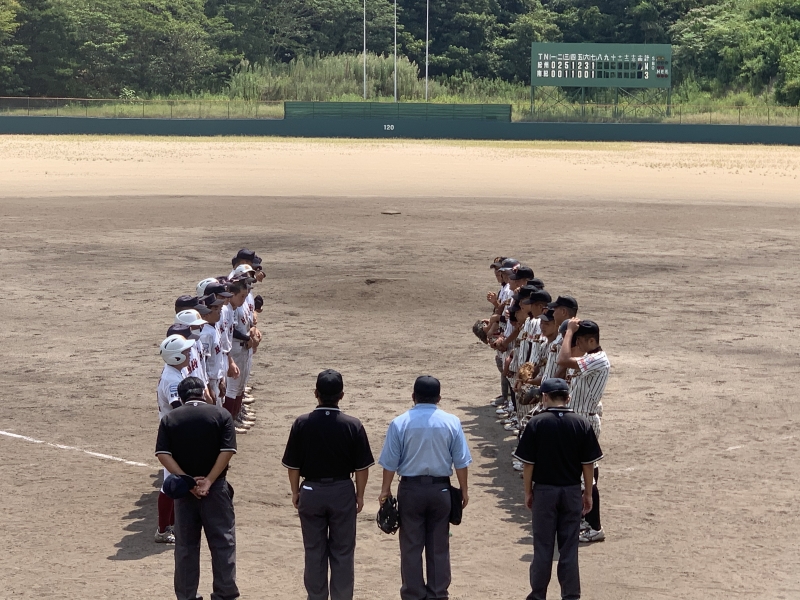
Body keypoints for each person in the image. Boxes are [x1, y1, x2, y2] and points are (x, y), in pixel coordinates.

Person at [281, 370, 375, 600]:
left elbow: (293, 465)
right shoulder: (353, 425)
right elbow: (362, 468)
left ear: (316, 393)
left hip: (311, 491)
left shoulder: (302, 423)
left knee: (314, 552)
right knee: (343, 552)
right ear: (341, 395)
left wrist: (295, 491)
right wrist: (360, 495)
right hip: (342, 491)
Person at [378, 376, 472, 600]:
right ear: (439, 398)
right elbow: (461, 461)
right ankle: (438, 594)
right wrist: (464, 489)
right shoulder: (452, 422)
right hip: (441, 490)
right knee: (439, 545)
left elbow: (390, 463)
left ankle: (413, 594)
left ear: (413, 397)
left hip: (410, 490)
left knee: (411, 546)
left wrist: (385, 490)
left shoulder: (400, 423)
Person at [512, 378, 604, 600]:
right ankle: (571, 595)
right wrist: (588, 493)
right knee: (569, 548)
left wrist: (528, 492)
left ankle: (538, 595)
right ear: (568, 398)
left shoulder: (536, 423)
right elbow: (588, 464)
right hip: (571, 491)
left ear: (544, 397)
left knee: (542, 547)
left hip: (544, 492)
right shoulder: (581, 423)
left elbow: (528, 464)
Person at [156, 376, 239, 600]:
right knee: (223, 543)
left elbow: (163, 454)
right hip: (216, 490)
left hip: (185, 494)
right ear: (203, 392)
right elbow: (227, 451)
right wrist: (209, 480)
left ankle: (187, 596)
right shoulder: (221, 414)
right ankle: (225, 595)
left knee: (185, 547)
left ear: (182, 397)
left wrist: (188, 481)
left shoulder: (171, 418)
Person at [557, 319, 611, 544]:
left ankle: (594, 527)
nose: (575, 344)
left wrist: (569, 331)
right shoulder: (589, 357)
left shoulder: (598, 359)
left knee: (585, 477)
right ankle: (584, 519)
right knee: (587, 472)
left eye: (579, 340)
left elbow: (562, 359)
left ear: (591, 341)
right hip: (579, 420)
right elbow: (561, 369)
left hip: (584, 422)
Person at [155, 334, 195, 544]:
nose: (189, 354)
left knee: (174, 479)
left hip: (176, 431)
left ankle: (171, 524)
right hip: (174, 433)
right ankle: (163, 530)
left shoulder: (176, 371)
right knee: (170, 482)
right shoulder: (172, 379)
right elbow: (178, 407)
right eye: (186, 352)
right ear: (176, 357)